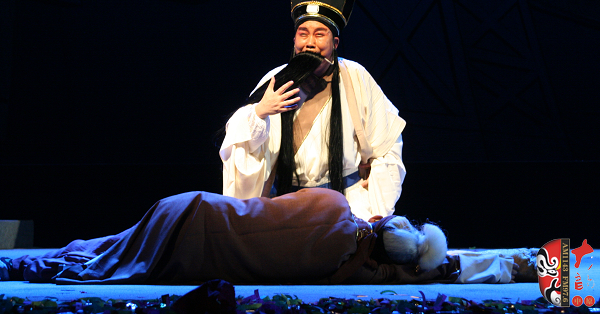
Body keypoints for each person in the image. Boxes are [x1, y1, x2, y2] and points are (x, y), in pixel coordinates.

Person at [0, 188, 531, 285]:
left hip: (193, 209)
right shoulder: (345, 268)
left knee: (101, 251)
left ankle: (14, 263)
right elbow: (390, 269)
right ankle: (15, 265)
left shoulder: (334, 203)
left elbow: (278, 202)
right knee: (103, 260)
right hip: (197, 243)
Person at [220, 0, 406, 221]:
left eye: (319, 34)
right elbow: (239, 140)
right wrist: (260, 112)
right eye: (303, 34)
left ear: (335, 42)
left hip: (348, 204)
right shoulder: (275, 79)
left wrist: (378, 209)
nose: (310, 43)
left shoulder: (356, 76)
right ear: (294, 39)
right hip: (286, 203)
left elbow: (388, 146)